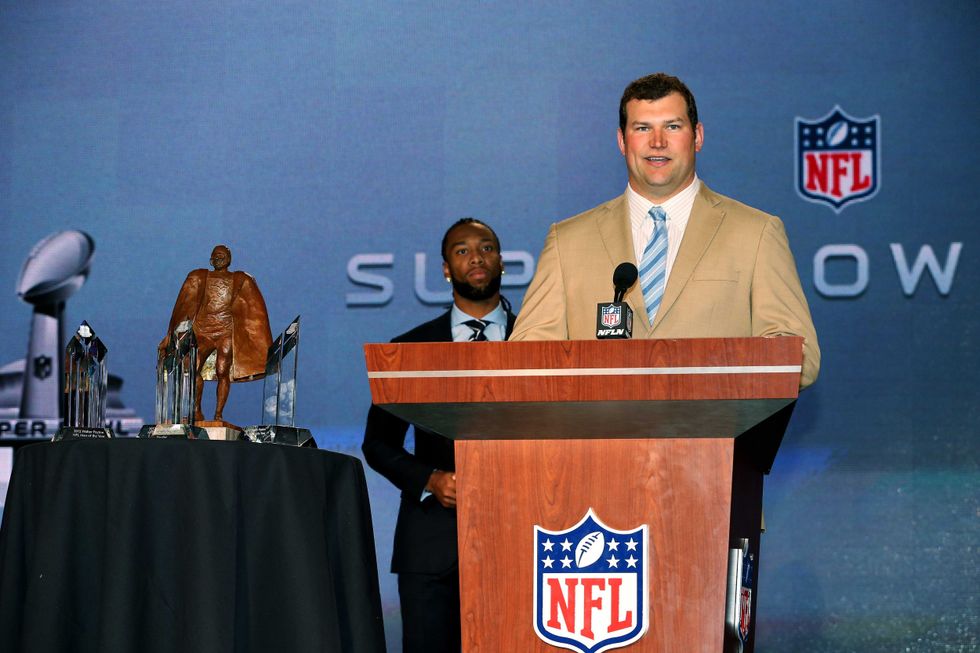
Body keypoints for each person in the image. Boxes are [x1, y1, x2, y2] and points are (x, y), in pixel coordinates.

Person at [510, 72, 819, 388]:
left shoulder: (756, 233)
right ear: (621, 140)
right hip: (600, 432)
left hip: (714, 429)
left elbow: (799, 359)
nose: (657, 142)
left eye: (672, 126)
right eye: (642, 128)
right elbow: (524, 360)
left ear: (697, 136)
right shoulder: (568, 241)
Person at [362, 218, 517, 653]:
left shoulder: (538, 340)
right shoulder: (411, 350)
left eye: (486, 248)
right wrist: (430, 479)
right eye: (462, 251)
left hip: (522, 536)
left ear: (502, 262)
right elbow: (377, 444)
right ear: (447, 269)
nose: (476, 258)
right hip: (430, 547)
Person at [159, 244, 273, 422]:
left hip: (225, 332)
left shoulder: (239, 279)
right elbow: (183, 306)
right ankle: (196, 410)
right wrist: (172, 335)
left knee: (222, 371)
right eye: (215, 255)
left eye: (222, 255)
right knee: (193, 368)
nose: (219, 258)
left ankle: (218, 414)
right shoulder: (200, 276)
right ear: (211, 259)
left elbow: (254, 310)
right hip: (202, 331)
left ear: (229, 259)